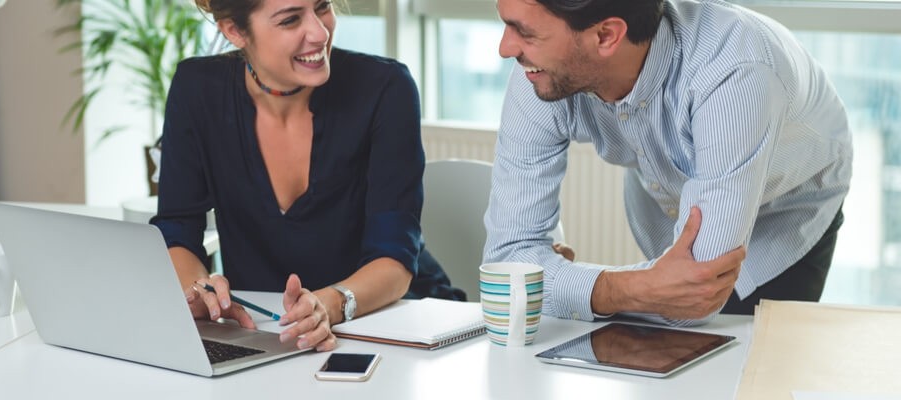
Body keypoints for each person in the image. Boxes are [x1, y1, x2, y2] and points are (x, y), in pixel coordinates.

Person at [484, 0, 852, 325]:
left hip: (787, 208)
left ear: (606, 35)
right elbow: (506, 268)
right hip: (675, 198)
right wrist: (629, 288)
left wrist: (564, 285)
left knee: (752, 370)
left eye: (526, 32)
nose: (504, 48)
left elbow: (695, 292)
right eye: (506, 23)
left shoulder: (735, 71)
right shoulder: (543, 72)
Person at [150, 0, 462, 352]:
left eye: (323, 6)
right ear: (234, 31)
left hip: (404, 329)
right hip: (275, 335)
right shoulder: (197, 89)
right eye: (290, 20)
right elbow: (177, 228)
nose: (320, 31)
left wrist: (328, 305)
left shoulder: (385, 88)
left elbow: (395, 256)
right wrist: (202, 292)